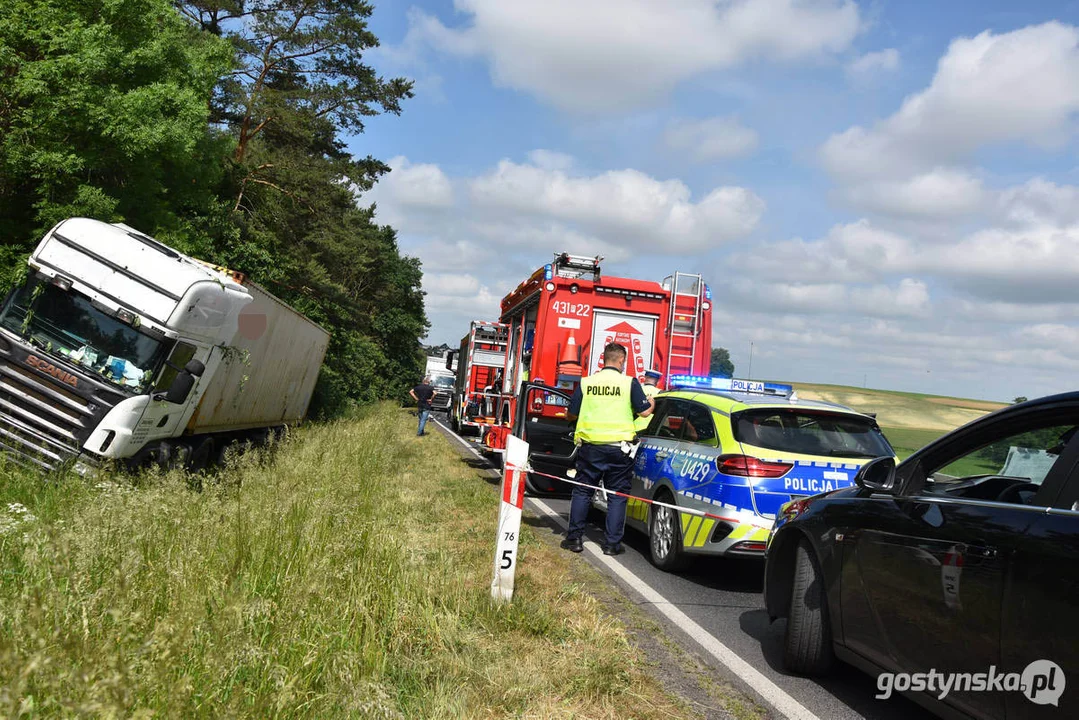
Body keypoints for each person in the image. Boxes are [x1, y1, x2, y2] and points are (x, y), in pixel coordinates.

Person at [561, 343, 654, 556]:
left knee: (583, 491)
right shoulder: (628, 382)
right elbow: (644, 413)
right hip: (619, 449)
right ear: (621, 361)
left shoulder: (587, 383)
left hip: (591, 446)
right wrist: (652, 403)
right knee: (616, 495)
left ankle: (574, 539)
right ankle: (612, 545)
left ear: (604, 359)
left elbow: (571, 414)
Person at [635, 368, 663, 432]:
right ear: (658, 381)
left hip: (634, 428)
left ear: (645, 378)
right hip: (651, 430)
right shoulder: (660, 393)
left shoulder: (637, 390)